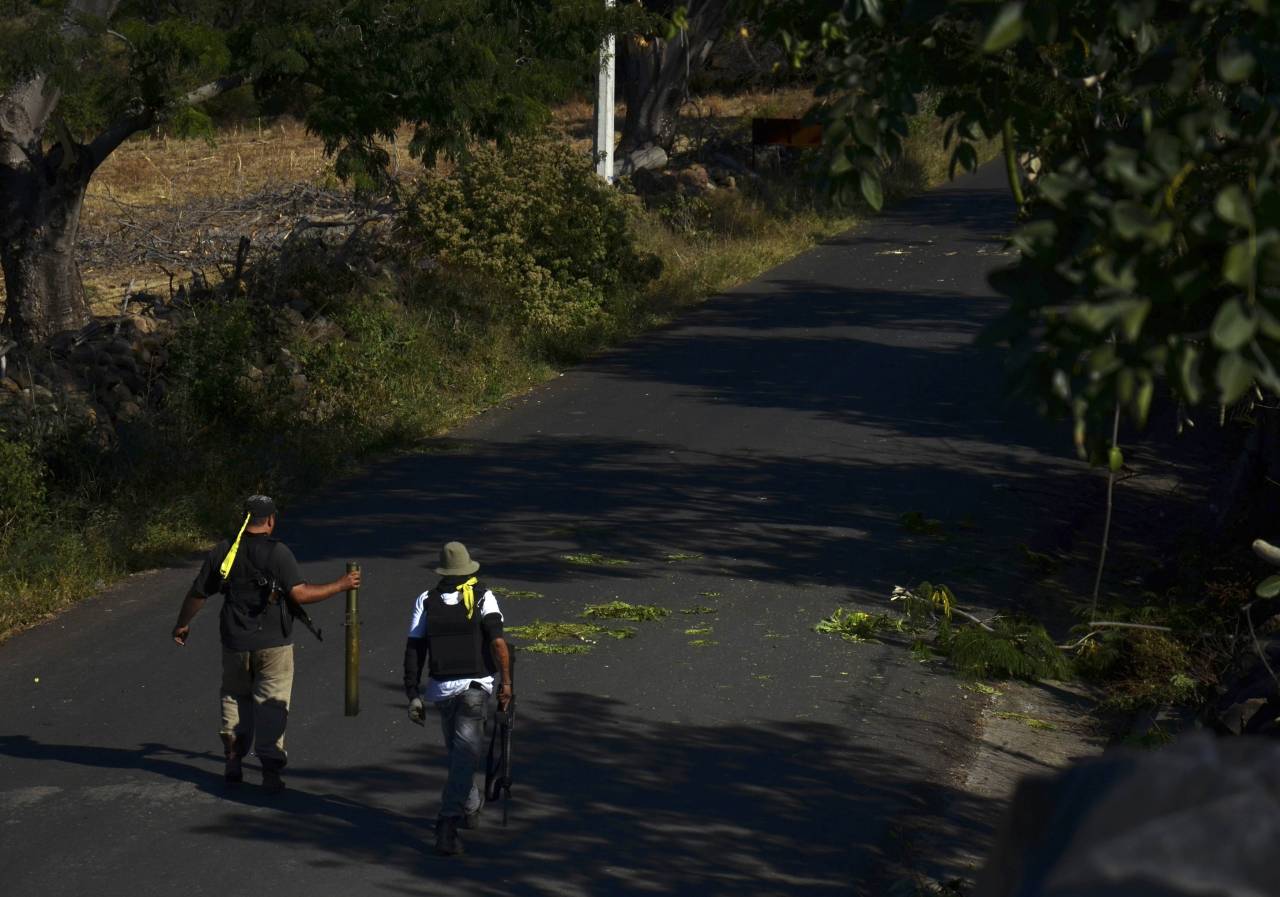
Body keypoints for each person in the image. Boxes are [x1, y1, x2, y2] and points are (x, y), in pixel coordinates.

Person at [170, 494, 360, 793]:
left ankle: (233, 758)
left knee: (234, 696)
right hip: (273, 643)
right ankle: (270, 770)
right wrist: (342, 584)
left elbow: (198, 593)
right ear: (271, 520)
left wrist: (182, 624)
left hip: (234, 641)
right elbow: (300, 594)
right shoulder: (278, 553)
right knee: (272, 703)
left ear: (243, 520)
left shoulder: (224, 552)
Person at [403, 541, 512, 856]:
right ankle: (471, 804)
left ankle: (447, 822)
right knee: (460, 756)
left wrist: (413, 693)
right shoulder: (482, 598)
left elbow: (414, 649)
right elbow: (499, 644)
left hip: (457, 691)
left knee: (462, 755)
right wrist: (507, 683)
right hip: (470, 687)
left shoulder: (426, 600)